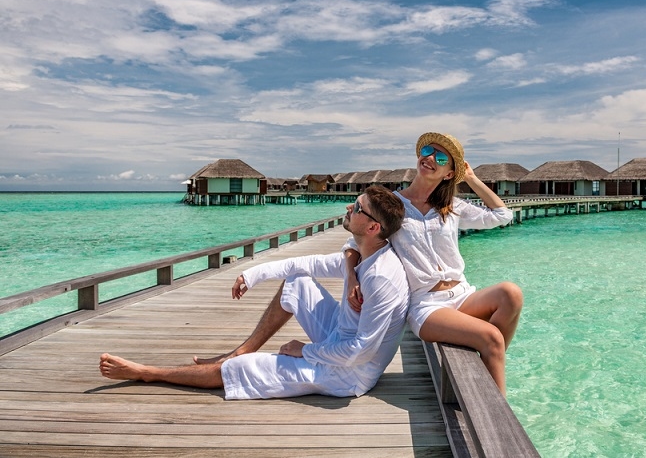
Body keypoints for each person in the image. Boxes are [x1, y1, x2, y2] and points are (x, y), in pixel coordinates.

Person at [99, 185, 408, 400]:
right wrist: (254, 273)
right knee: (297, 281)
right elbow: (311, 262)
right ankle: (242, 349)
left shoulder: (381, 278)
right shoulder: (364, 251)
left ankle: (149, 373)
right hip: (339, 339)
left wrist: (305, 351)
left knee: (235, 370)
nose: (348, 207)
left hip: (348, 374)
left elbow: (360, 353)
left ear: (372, 228)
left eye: (357, 208)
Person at [345, 132, 522, 395]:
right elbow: (352, 246)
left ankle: (486, 374)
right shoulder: (393, 205)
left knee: (511, 293)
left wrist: (471, 178)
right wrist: (352, 278)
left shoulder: (451, 206)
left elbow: (502, 215)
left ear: (450, 174)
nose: (430, 158)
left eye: (441, 158)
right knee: (492, 337)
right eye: (428, 151)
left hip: (462, 295)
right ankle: (499, 415)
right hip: (426, 305)